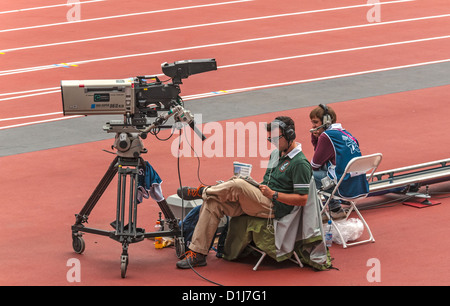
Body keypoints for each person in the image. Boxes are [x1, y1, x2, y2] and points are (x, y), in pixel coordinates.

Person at [175, 116, 312, 269]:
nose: (272, 141)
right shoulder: (276, 154)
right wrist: (254, 185)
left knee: (238, 185)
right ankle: (198, 254)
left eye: (275, 137)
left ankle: (203, 191)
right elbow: (268, 181)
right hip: (261, 200)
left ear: (290, 135)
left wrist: (274, 194)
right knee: (214, 201)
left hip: (274, 206)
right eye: (270, 138)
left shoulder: (300, 163)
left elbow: (303, 199)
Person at [309, 104, 364, 219]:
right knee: (326, 167)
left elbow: (314, 165)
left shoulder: (326, 136)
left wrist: (315, 139)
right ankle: (335, 209)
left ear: (326, 121)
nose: (313, 126)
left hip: (343, 188)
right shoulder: (346, 133)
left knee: (306, 175)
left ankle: (319, 216)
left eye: (315, 122)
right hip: (358, 185)